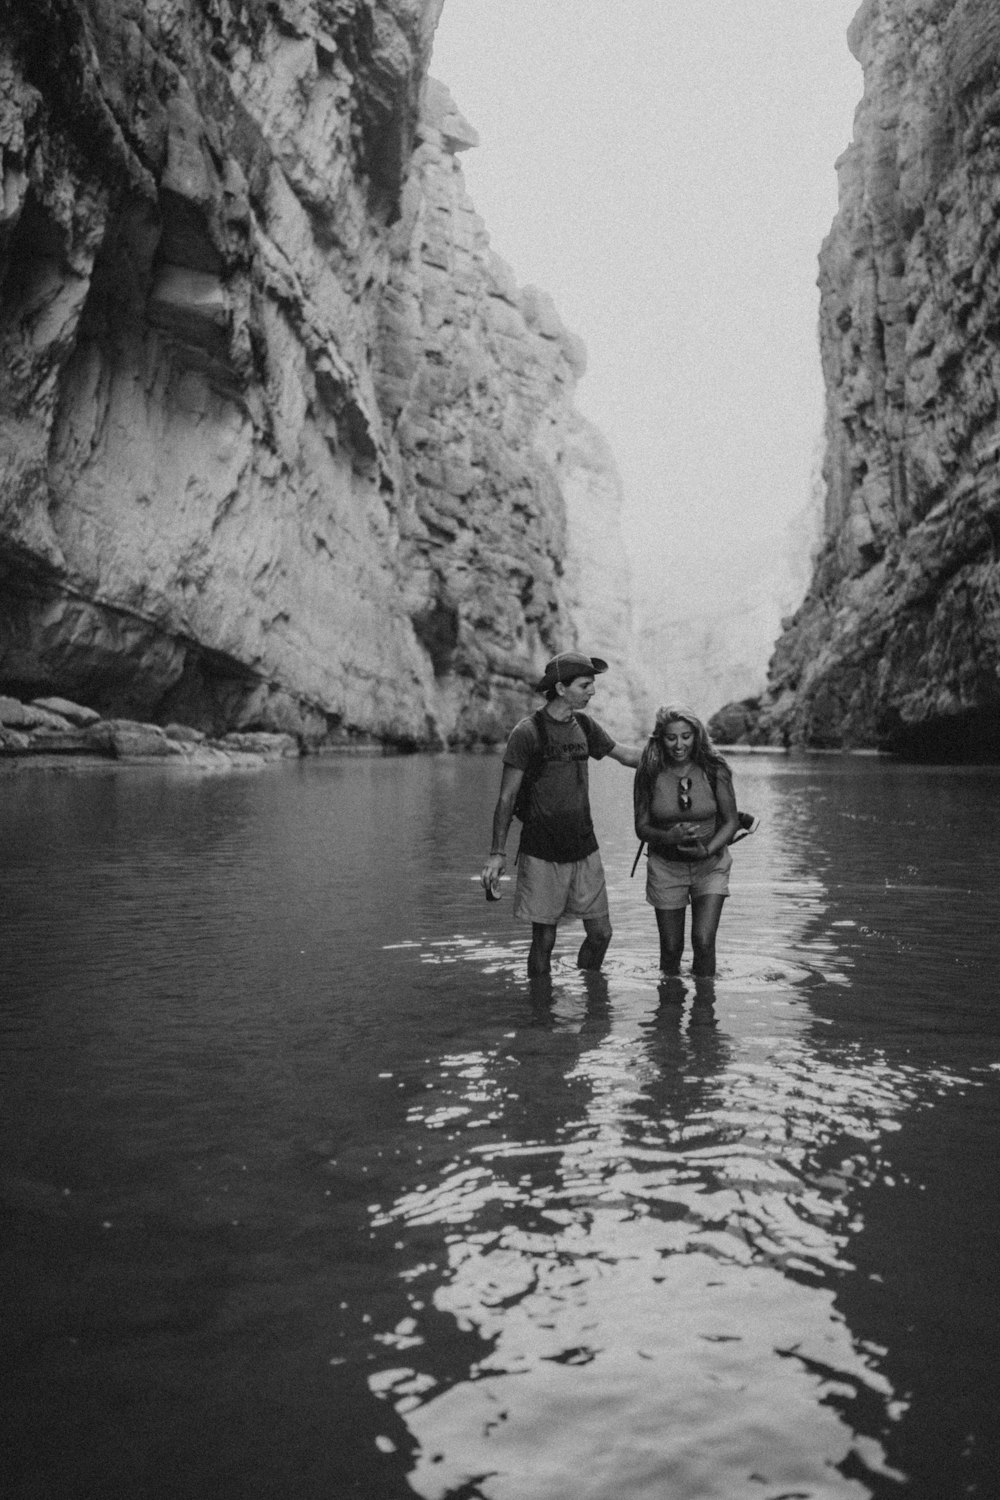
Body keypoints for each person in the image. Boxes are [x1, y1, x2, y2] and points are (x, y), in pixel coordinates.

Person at [481, 651, 640, 976]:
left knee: (601, 934)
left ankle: (590, 994)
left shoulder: (584, 725)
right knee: (544, 940)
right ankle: (540, 1016)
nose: (592, 691)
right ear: (561, 688)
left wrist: (681, 755)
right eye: (585, 685)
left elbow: (624, 755)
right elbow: (507, 798)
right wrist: (497, 854)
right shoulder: (527, 733)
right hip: (541, 850)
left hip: (585, 847)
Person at [633, 704, 739, 977]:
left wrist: (707, 849)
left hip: (711, 865)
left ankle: (704, 1015)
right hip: (666, 867)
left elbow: (731, 821)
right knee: (670, 948)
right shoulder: (648, 771)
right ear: (660, 738)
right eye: (671, 738)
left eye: (686, 736)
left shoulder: (715, 769)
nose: (679, 744)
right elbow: (642, 828)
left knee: (703, 942)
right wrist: (669, 836)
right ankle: (669, 1010)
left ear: (697, 736)